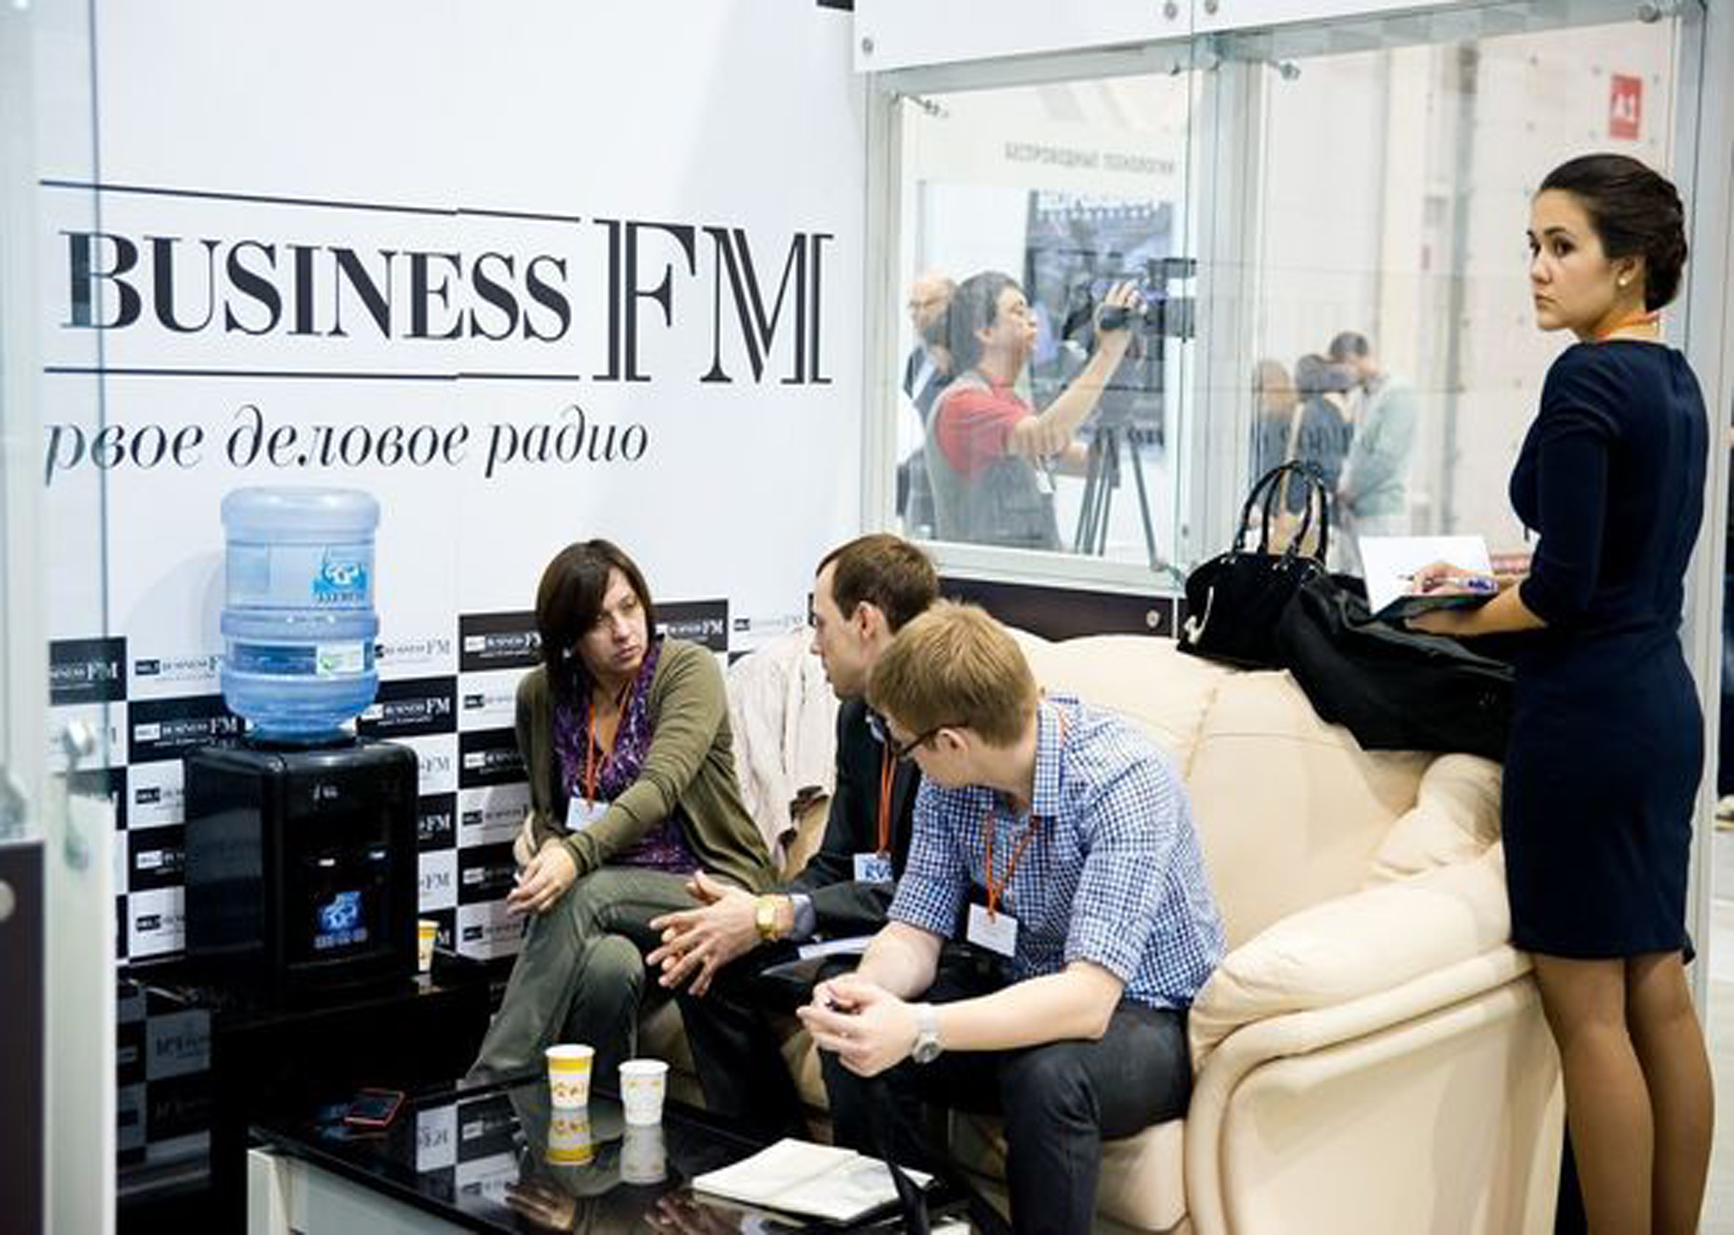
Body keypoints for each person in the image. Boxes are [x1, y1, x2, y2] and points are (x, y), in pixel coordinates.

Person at [1410, 153, 1711, 1235]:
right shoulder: (1675, 379)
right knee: (1658, 991)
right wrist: (1510, 572)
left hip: (1585, 718)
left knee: (1589, 1016)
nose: (1537, 269)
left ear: (1628, 265)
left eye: (1561, 246)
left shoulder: (1584, 381)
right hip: (1659, 707)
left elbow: (1564, 592)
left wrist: (1446, 615)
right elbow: (1614, 556)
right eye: (1533, 246)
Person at [797, 602, 1224, 1234]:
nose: (905, 760)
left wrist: (917, 1025)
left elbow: (1087, 1001)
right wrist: (868, 991)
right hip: (1019, 981)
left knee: (1046, 1076)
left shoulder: (1122, 781)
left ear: (951, 742)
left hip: (1146, 1013)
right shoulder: (950, 781)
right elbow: (915, 928)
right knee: (854, 1036)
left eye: (903, 744)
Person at [645, 533, 939, 1141]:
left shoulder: (944, 722)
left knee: (844, 1000)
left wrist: (770, 916)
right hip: (856, 922)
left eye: (820, 623)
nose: (812, 643)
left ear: (865, 622)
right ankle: (766, 1158)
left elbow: (923, 895)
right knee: (703, 958)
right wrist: (753, 911)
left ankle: (881, 1186)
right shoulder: (856, 717)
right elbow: (836, 863)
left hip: (922, 945)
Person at [469, 540, 777, 1090]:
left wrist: (574, 857)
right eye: (598, 621)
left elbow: (658, 788)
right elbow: (548, 810)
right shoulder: (542, 694)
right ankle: (599, 1129)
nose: (623, 630)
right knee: (609, 967)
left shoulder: (686, 670)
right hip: (605, 904)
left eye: (629, 607)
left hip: (704, 884)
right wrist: (552, 846)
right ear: (569, 636)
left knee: (589, 892)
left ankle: (489, 1086)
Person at [925, 270, 1140, 550]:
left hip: (1025, 570)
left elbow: (1096, 465)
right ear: (985, 331)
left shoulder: (1012, 405)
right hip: (987, 574)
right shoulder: (962, 404)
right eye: (1019, 311)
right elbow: (1045, 436)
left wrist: (1122, 368)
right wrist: (1107, 353)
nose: (1034, 319)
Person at [1328, 330, 1419, 571]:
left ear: (1352, 359)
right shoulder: (1362, 396)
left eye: (1339, 369)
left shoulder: (1398, 394)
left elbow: (1386, 458)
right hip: (1355, 513)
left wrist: (1349, 490)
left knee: (1382, 584)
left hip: (1381, 514)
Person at [898, 273, 956, 535]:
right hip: (919, 485)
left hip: (952, 489)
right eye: (914, 305)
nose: (919, 313)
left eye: (929, 303)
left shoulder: (965, 362)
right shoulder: (917, 361)